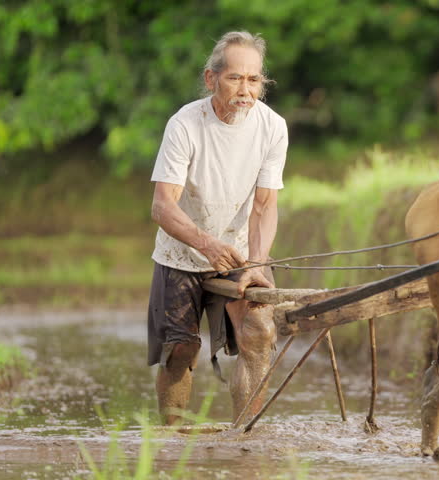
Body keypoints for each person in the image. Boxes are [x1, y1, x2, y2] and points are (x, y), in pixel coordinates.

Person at [146, 31, 288, 425]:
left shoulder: (273, 127)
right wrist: (206, 244)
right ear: (211, 79)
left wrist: (257, 263)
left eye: (254, 79)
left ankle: (245, 439)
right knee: (180, 349)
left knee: (258, 333)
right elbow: (162, 206)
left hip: (242, 251)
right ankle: (172, 440)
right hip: (184, 249)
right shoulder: (185, 124)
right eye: (235, 78)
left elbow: (264, 204)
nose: (246, 89)